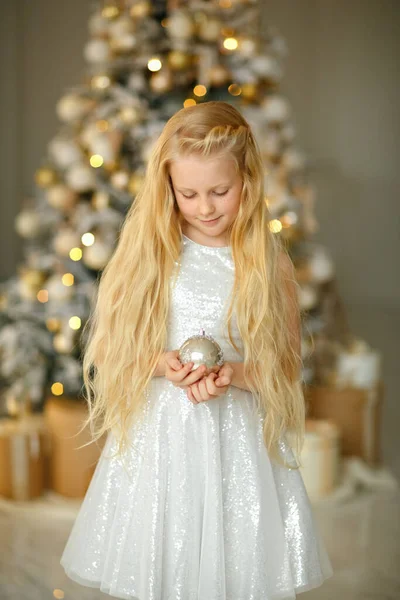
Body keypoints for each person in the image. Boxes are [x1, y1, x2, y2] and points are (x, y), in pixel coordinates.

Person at [60, 100, 333, 599]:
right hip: (161, 441)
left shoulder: (269, 265)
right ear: (167, 188)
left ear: (247, 181)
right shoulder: (150, 255)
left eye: (220, 191)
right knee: (165, 558)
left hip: (239, 446)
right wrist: (160, 364)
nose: (205, 207)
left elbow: (287, 365)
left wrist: (235, 373)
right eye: (188, 193)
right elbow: (108, 353)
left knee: (233, 566)